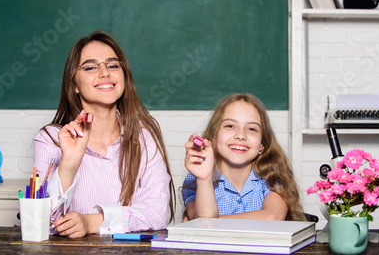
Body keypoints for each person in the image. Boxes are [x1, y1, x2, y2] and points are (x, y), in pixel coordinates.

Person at [33, 30, 175, 238]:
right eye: (90, 67)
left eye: (113, 65)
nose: (105, 73)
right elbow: (41, 222)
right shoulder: (50, 140)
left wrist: (92, 221)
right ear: (74, 86)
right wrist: (69, 164)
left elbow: (157, 213)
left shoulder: (144, 134)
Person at [182, 93, 306, 221]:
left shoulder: (272, 176)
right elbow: (204, 222)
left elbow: (272, 216)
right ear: (215, 136)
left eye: (252, 129)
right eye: (230, 126)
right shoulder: (195, 178)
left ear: (262, 144)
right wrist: (204, 180)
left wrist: (211, 222)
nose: (241, 135)